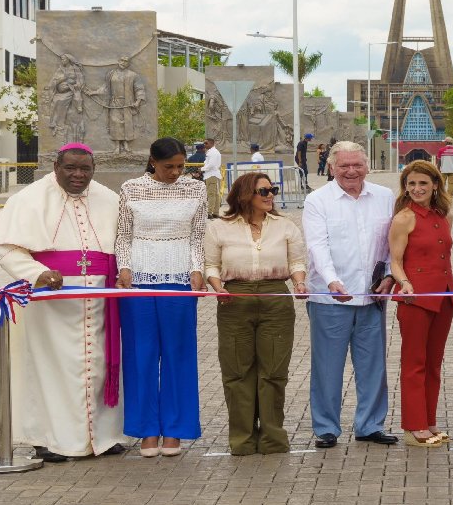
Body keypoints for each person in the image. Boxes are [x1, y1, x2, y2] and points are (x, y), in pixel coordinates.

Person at [0, 142, 124, 462]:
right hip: (50, 302)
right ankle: (46, 437)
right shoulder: (28, 199)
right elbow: (6, 249)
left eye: (85, 169)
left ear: (93, 169)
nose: (78, 175)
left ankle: (101, 436)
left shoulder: (109, 198)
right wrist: (38, 273)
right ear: (56, 167)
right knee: (47, 368)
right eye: (70, 168)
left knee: (99, 365)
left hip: (99, 299)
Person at [114, 137, 208, 457]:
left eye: (181, 166)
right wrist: (124, 268)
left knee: (178, 354)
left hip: (180, 279)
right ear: (153, 161)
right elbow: (123, 235)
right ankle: (146, 431)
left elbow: (197, 236)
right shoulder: (131, 188)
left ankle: (176, 431)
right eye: (169, 166)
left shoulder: (195, 188)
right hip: (138, 280)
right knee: (141, 355)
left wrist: (197, 269)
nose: (176, 172)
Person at [303, 141, 398, 449]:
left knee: (373, 366)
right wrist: (332, 282)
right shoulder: (318, 200)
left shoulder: (384, 197)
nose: (351, 171)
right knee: (327, 367)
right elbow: (318, 246)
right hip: (330, 298)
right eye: (344, 166)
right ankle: (326, 427)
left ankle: (370, 425)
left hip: (372, 298)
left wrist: (388, 277)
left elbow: (390, 245)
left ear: (367, 166)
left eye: (357, 165)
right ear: (331, 168)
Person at [204, 173, 308, 455]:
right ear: (245, 194)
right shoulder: (218, 228)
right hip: (234, 299)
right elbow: (211, 265)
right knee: (237, 371)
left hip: (276, 298)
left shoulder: (285, 226)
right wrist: (217, 288)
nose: (270, 195)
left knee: (274, 371)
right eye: (264, 191)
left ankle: (273, 438)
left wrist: (298, 282)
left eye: (273, 189)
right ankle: (242, 439)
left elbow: (296, 260)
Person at [389, 160, 453, 447]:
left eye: (423, 183)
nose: (416, 189)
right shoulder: (404, 218)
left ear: (435, 185)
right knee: (414, 363)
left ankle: (429, 420)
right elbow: (395, 261)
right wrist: (404, 282)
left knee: (434, 363)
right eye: (411, 184)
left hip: (443, 297)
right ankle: (414, 425)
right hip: (415, 298)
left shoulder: (443, 216)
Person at [201, 138, 222, 219]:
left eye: (206, 143)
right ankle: (215, 213)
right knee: (215, 195)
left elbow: (211, 165)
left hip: (211, 175)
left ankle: (209, 213)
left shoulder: (212, 152)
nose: (205, 145)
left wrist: (202, 169)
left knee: (211, 194)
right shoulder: (214, 152)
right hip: (213, 174)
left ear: (211, 143)